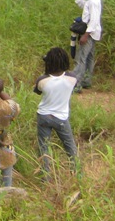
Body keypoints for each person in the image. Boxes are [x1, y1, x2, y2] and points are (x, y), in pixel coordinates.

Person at [34, 47, 80, 177]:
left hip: (43, 116)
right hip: (61, 117)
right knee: (70, 146)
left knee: (44, 147)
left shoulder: (42, 80)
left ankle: (45, 176)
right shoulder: (72, 79)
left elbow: (38, 91)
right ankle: (77, 173)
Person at [71, 0, 102, 91]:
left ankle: (77, 84)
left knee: (81, 58)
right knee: (89, 58)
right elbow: (81, 4)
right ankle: (86, 81)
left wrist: (85, 35)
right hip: (94, 33)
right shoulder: (92, 0)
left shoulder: (93, 1)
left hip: (89, 33)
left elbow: (93, 19)